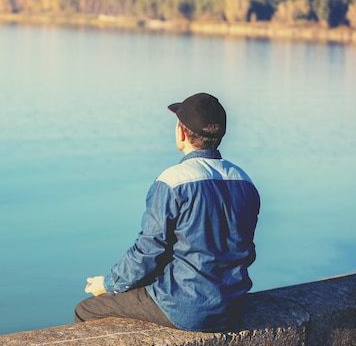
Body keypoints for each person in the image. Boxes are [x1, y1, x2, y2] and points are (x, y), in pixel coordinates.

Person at [74, 92, 260, 332]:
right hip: (233, 307)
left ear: (182, 134)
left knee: (86, 309)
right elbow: (244, 250)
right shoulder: (245, 181)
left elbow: (148, 253)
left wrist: (108, 285)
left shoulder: (173, 181)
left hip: (186, 307)